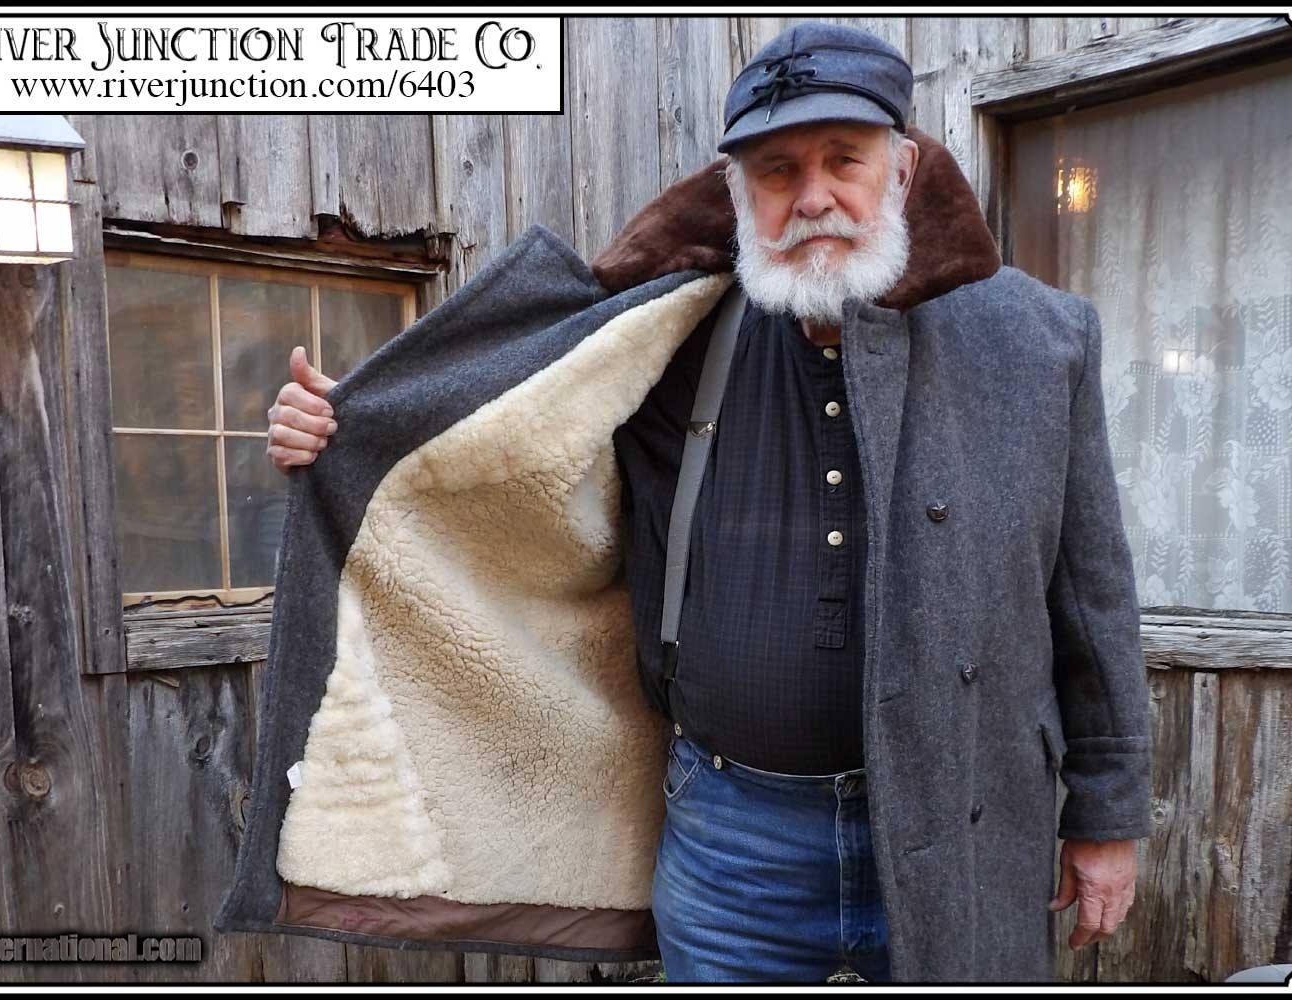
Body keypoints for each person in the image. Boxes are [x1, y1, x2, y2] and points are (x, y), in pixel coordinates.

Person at [261, 21, 1148, 984]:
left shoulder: (1040, 340)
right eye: (777, 171)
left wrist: (1107, 817)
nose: (813, 196)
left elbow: (1091, 597)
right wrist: (350, 429)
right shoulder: (666, 335)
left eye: (844, 159)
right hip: (734, 845)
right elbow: (501, 441)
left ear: (901, 169)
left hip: (966, 823)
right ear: (736, 195)